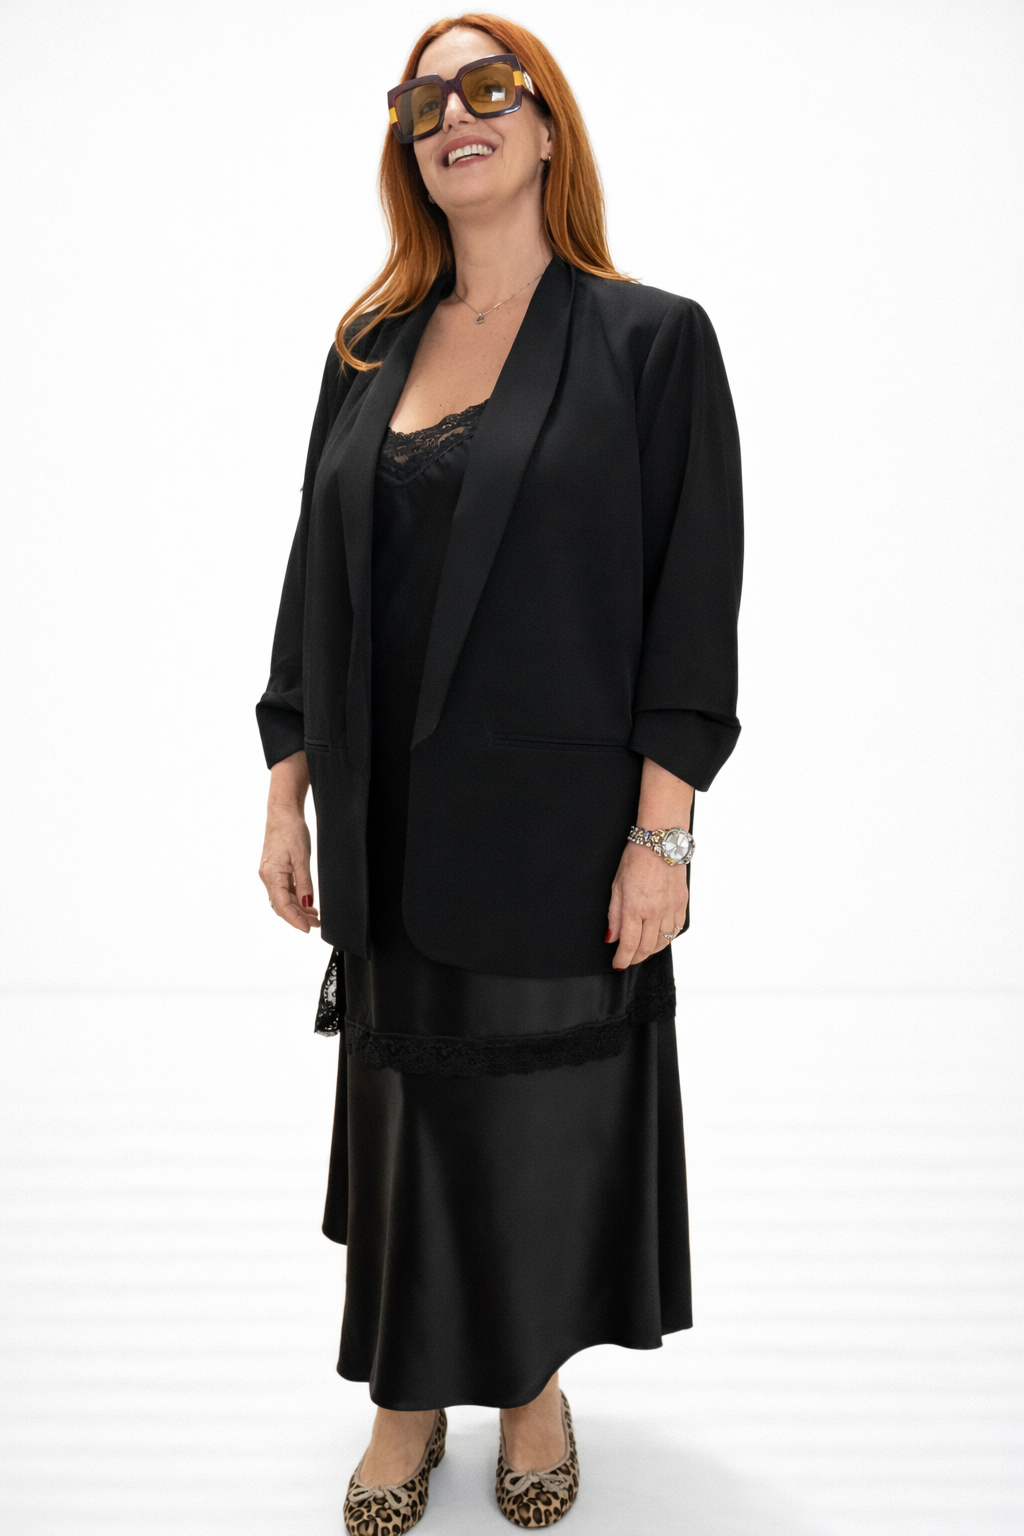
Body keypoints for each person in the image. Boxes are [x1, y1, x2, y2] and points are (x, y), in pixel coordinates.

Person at [256, 13, 743, 1532]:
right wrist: (285, 782)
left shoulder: (649, 339)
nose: (451, 116)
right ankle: (406, 1398)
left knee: (535, 1123)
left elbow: (691, 597)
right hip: (384, 820)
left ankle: (531, 1385)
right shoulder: (368, 345)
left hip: (559, 820)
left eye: (486, 88)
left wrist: (663, 836)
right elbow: (314, 577)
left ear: (545, 126)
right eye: (422, 100)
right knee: (407, 1116)